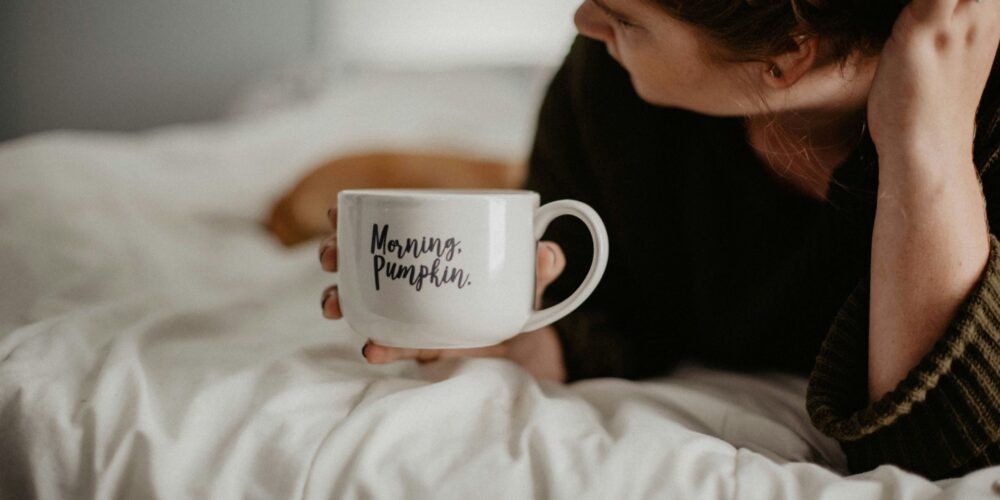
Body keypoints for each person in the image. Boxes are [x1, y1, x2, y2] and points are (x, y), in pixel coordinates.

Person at [319, 0, 1000, 479]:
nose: (585, 22)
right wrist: (524, 332)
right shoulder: (607, 89)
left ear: (789, 53)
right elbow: (623, 311)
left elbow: (943, 458)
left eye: (624, 19)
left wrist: (928, 140)